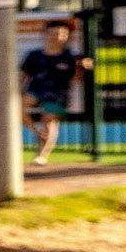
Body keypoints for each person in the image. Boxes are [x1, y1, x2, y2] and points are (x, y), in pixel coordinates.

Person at [20, 17, 88, 164]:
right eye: (52, 33)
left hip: (57, 93)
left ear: (66, 36)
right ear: (45, 34)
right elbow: (23, 75)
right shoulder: (35, 55)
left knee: (49, 122)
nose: (56, 37)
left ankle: (42, 155)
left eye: (60, 33)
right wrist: (17, 91)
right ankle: (37, 133)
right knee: (17, 108)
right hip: (36, 89)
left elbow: (76, 80)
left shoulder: (70, 57)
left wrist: (81, 67)